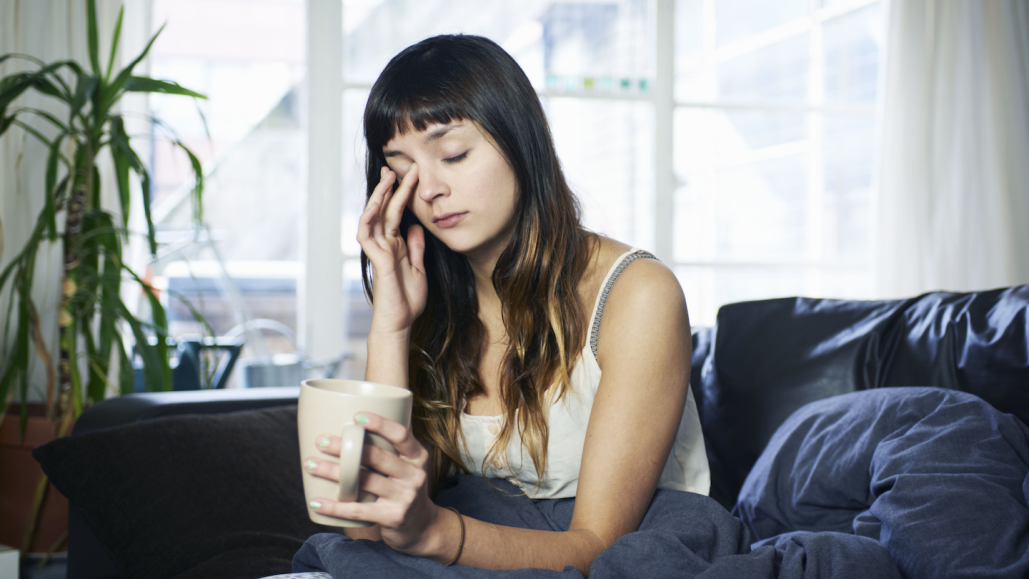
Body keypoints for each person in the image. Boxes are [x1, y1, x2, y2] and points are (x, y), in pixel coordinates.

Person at [300, 34, 709, 575]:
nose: (429, 190)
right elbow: (364, 519)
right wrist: (393, 326)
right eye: (403, 169)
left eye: (453, 154)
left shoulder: (639, 295)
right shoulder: (436, 304)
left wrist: (436, 531)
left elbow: (597, 549)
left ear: (520, 141)